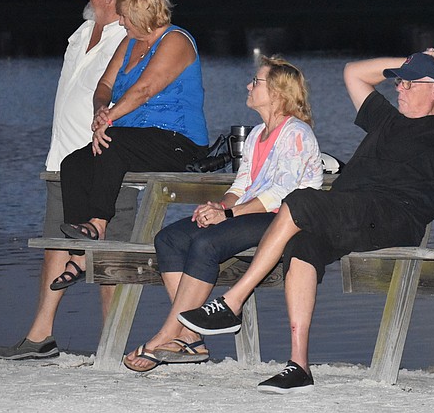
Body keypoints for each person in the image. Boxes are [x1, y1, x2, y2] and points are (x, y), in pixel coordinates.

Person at [178, 48, 434, 393]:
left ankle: (232, 302)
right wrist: (411, 63)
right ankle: (299, 366)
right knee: (301, 243)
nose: (399, 88)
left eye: (409, 84)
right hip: (348, 211)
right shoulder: (387, 120)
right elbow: (353, 72)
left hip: (393, 216)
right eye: (399, 83)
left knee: (300, 200)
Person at [123, 56, 324, 372]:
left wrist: (229, 216)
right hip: (252, 213)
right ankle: (191, 337)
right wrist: (220, 207)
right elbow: (242, 184)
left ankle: (166, 334)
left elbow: (279, 194)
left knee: (207, 243)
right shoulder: (257, 134)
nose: (248, 86)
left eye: (255, 82)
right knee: (169, 239)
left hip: (285, 219)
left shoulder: (296, 133)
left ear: (277, 92)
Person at [0, 0, 142, 360]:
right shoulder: (80, 33)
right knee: (56, 243)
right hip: (63, 157)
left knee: (110, 253)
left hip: (107, 161)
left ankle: (112, 346)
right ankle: (40, 337)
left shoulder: (133, 40)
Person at [55, 0, 210, 286]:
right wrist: (101, 112)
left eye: (125, 17)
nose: (121, 22)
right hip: (131, 140)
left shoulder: (176, 40)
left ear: (140, 17)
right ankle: (79, 256)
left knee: (114, 143)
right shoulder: (129, 42)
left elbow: (144, 89)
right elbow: (104, 85)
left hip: (178, 141)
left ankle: (98, 224)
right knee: (73, 164)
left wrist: (110, 120)